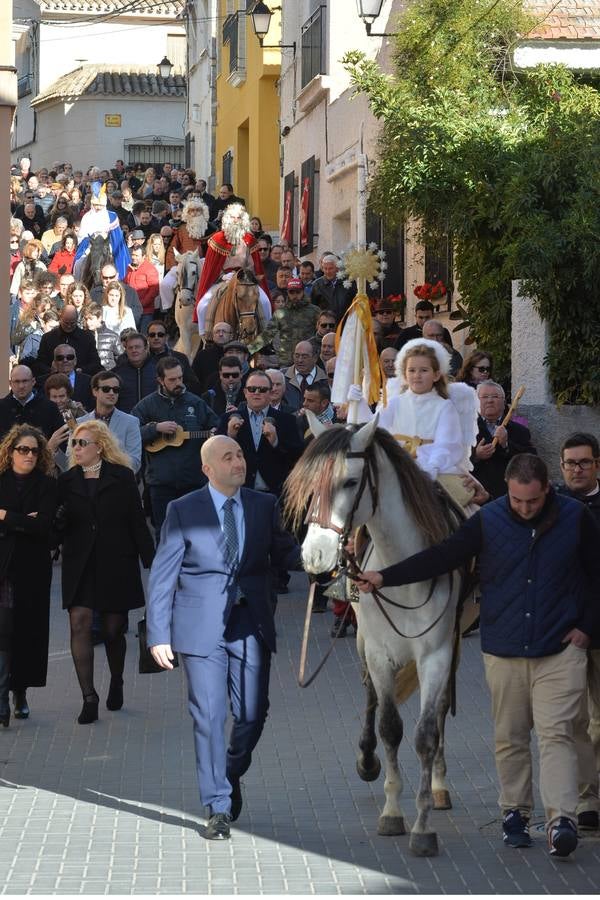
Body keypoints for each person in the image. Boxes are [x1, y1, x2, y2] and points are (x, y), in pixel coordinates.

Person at [355, 453, 600, 858]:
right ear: (507, 489)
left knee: (556, 734)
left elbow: (596, 576)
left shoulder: (576, 518)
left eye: (533, 502)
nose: (524, 509)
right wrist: (384, 576)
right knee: (510, 737)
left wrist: (586, 629)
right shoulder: (488, 520)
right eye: (518, 501)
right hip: (504, 649)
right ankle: (515, 815)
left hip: (561, 647)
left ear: (546, 491)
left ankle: (561, 821)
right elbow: (442, 556)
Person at [147, 434, 301, 839]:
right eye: (228, 457)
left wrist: (326, 556)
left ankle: (230, 771)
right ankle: (216, 805)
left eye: (239, 455)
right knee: (210, 716)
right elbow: (163, 574)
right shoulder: (183, 510)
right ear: (207, 469)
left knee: (252, 712)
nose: (238, 462)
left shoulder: (264, 505)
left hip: (250, 622)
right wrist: (157, 633)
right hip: (199, 628)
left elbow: (288, 554)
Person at [57, 421, 154, 725]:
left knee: (113, 629)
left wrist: (154, 564)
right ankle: (89, 697)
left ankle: (117, 680)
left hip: (116, 561)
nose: (76, 449)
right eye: (74, 443)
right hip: (80, 563)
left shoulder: (122, 476)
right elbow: (58, 527)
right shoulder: (68, 480)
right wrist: (58, 521)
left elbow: (137, 521)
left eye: (82, 443)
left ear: (99, 446)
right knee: (79, 624)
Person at [555, 432, 600, 830]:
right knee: (575, 723)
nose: (577, 470)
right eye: (570, 463)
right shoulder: (551, 505)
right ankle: (587, 798)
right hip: (565, 633)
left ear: (597, 465)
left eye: (584, 463)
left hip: (598, 629)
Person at [0, 425, 57, 727]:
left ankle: (19, 692)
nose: (29, 455)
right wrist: (26, 521)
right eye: (23, 449)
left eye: (35, 450)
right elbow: (33, 525)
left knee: (26, 631)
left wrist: (6, 517)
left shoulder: (46, 485)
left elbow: (44, 527)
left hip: (32, 569)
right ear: (10, 451)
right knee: (3, 631)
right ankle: (2, 698)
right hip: (3, 567)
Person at [131, 356, 219, 535]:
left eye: (180, 378)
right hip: (161, 484)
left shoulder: (196, 403)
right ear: (160, 380)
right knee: (165, 533)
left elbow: (216, 427)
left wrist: (218, 431)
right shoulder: (147, 405)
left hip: (193, 482)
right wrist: (155, 428)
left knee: (196, 533)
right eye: (172, 380)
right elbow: (130, 433)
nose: (178, 383)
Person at [221, 370, 303, 497]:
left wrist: (275, 442)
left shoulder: (287, 420)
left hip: (275, 494)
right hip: (239, 491)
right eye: (252, 389)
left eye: (262, 390)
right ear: (245, 392)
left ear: (270, 393)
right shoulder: (228, 419)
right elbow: (218, 456)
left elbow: (297, 458)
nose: (256, 393)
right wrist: (230, 436)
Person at [472, 381, 536, 498]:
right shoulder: (465, 429)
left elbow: (531, 460)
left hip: (509, 496)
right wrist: (476, 455)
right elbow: (454, 459)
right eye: (485, 397)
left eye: (495, 397)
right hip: (476, 494)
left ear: (504, 401)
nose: (490, 400)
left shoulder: (520, 431)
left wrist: (506, 445)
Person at [77, 372, 142, 474]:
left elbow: (135, 463)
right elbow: (71, 461)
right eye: (106, 389)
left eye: (116, 390)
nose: (111, 393)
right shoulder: (80, 423)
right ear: (95, 391)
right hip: (87, 484)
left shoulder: (131, 422)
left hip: (118, 484)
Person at [248, 278, 321, 367]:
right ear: (287, 293)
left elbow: (321, 334)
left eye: (298, 292)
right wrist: (248, 350)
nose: (295, 295)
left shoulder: (314, 311)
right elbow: (267, 335)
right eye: (292, 292)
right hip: (286, 363)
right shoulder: (280, 313)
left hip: (308, 361)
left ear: (303, 292)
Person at [36, 304, 102, 377]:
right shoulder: (48, 338)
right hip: (54, 379)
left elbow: (95, 363)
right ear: (61, 319)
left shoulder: (87, 338)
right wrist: (50, 370)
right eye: (66, 323)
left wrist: (82, 370)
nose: (69, 326)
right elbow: (40, 363)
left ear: (77, 320)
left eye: (72, 323)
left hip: (80, 380)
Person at [0, 366, 64, 440]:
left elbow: (62, 439)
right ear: (10, 383)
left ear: (33, 382)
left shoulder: (50, 407)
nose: (21, 386)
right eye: (17, 381)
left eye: (25, 381)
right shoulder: (2, 407)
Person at [115, 332, 158, 414]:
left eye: (137, 347)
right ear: (126, 350)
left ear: (146, 348)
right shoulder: (117, 373)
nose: (134, 350)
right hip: (127, 420)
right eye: (130, 348)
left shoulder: (158, 369)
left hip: (154, 420)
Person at [283, 341, 329, 412]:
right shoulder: (281, 377)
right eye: (297, 356)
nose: (300, 360)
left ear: (315, 358)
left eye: (305, 357)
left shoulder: (326, 378)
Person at [124, 246, 160, 334]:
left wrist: (141, 304)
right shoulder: (129, 268)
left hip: (145, 312)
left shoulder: (150, 269)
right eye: (132, 255)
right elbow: (125, 286)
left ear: (144, 256)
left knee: (143, 337)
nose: (133, 257)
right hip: (131, 310)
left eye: (137, 255)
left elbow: (154, 290)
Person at [310, 255, 356, 321]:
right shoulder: (317, 285)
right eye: (325, 268)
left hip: (346, 324)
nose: (328, 272)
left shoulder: (349, 282)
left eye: (331, 268)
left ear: (337, 268)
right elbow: (313, 307)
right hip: (326, 325)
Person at [82, 303, 122, 370]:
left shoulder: (113, 336)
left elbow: (122, 358)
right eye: (86, 319)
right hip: (89, 375)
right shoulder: (83, 336)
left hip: (108, 375)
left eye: (91, 319)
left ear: (99, 318)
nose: (88, 322)